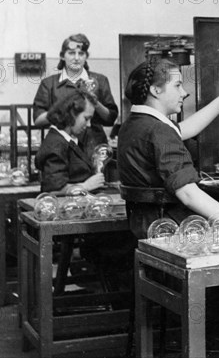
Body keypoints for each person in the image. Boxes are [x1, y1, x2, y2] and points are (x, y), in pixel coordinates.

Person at [118, 58, 219, 353]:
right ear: (156, 90)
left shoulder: (135, 125)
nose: (184, 92)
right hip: (173, 233)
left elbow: (185, 129)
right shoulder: (158, 131)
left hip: (147, 228)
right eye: (178, 85)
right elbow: (189, 195)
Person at [35, 90, 134, 291]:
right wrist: (86, 186)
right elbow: (53, 189)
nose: (88, 125)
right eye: (86, 118)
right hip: (74, 218)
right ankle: (120, 300)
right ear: (71, 114)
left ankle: (119, 297)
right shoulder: (55, 144)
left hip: (82, 213)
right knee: (126, 239)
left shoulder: (66, 140)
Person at [33, 33, 118, 158]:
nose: (76, 58)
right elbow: (38, 120)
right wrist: (60, 109)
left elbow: (110, 119)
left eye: (81, 54)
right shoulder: (49, 84)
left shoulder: (100, 80)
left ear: (86, 56)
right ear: (62, 56)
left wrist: (95, 102)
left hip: (94, 144)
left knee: (97, 176)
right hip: (62, 144)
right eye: (71, 53)